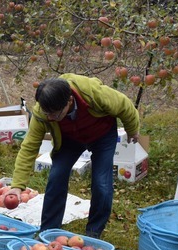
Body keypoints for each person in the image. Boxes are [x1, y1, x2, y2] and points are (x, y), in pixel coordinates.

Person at [8, 74, 141, 238]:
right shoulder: (44, 112)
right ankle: (48, 231)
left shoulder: (93, 93)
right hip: (69, 139)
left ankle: (94, 231)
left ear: (69, 101)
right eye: (46, 113)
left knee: (101, 183)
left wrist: (132, 129)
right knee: (56, 176)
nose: (49, 118)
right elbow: (29, 147)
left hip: (102, 135)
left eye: (55, 115)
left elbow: (124, 106)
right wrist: (17, 185)